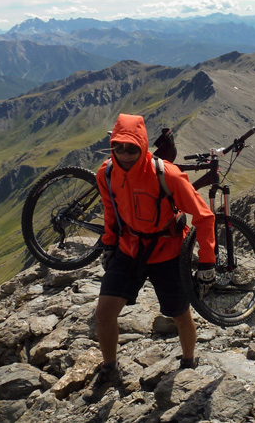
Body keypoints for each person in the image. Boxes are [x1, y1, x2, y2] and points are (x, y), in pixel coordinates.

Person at [91, 113, 216, 389]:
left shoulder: (166, 174)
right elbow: (110, 210)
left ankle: (188, 361)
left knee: (180, 314)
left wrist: (207, 263)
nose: (124, 154)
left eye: (131, 148)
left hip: (168, 252)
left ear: (144, 147)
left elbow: (204, 216)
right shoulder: (106, 173)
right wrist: (109, 244)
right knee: (103, 314)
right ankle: (110, 369)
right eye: (118, 147)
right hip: (128, 249)